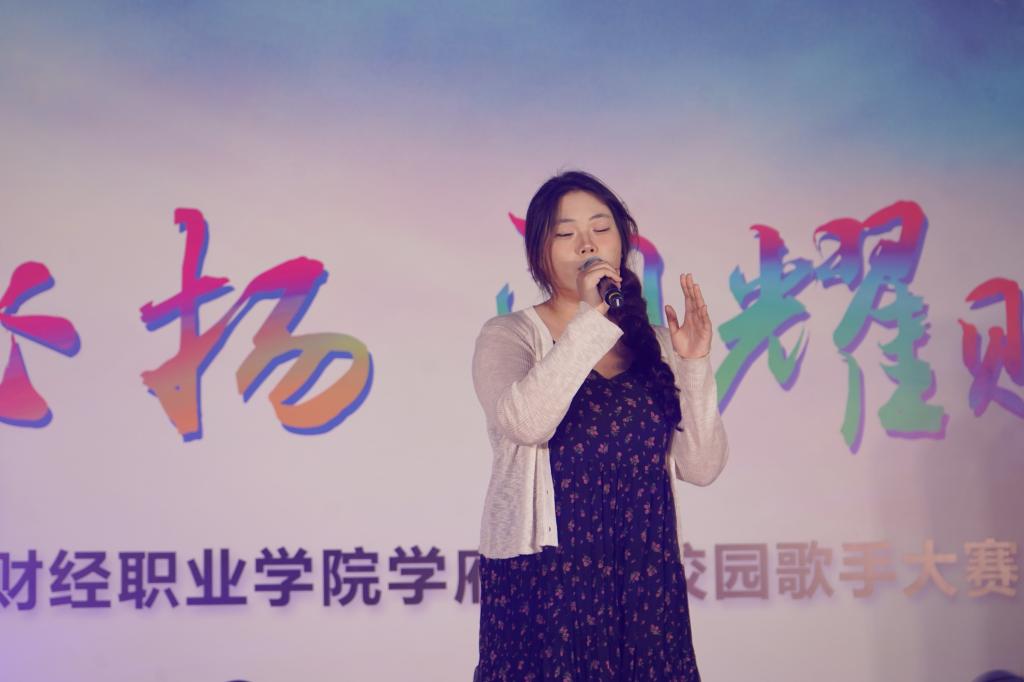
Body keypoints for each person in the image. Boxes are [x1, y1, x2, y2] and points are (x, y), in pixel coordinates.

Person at [470, 170, 729, 681]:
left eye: (600, 228)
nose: (586, 243)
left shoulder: (658, 343)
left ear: (622, 242)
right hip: (545, 576)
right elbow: (526, 422)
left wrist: (694, 364)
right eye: (565, 233)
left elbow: (701, 467)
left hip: (645, 576)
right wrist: (595, 319)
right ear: (538, 253)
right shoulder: (509, 335)